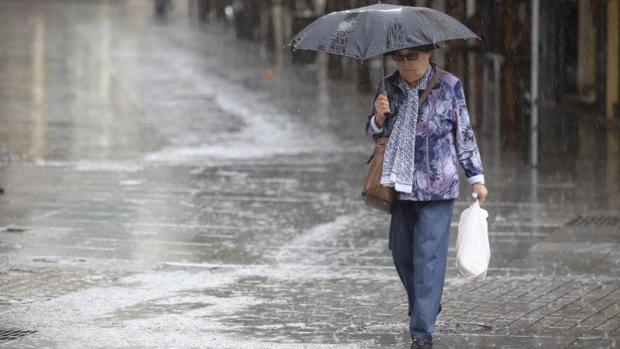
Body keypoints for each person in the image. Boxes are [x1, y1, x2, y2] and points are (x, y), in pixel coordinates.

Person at [365, 45, 488, 349]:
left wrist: (477, 178)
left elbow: (464, 133)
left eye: (412, 57)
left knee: (428, 256)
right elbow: (371, 131)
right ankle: (427, 303)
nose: (406, 64)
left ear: (428, 54)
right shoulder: (387, 86)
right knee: (401, 252)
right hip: (399, 184)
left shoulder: (449, 86)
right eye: (399, 57)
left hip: (438, 185)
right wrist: (379, 118)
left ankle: (421, 331)